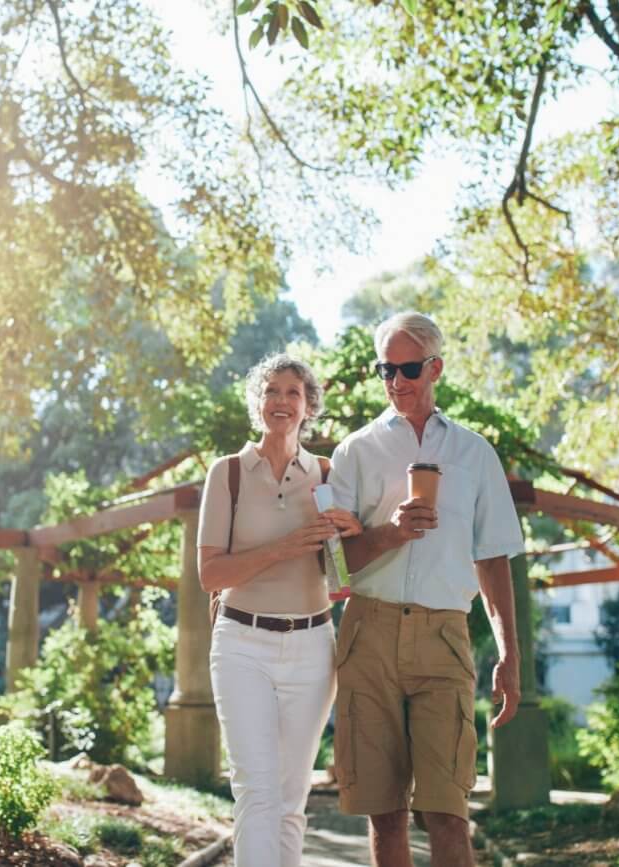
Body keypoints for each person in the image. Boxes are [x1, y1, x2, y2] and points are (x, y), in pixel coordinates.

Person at [329, 312, 524, 867]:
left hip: (445, 636)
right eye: (384, 369)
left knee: (447, 810)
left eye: (408, 367)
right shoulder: (355, 452)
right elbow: (335, 565)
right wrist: (391, 533)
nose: (395, 381)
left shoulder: (475, 453)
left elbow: (492, 558)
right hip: (369, 633)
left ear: (435, 367)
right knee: (385, 812)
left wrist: (509, 655)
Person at [197, 353, 362, 867]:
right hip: (242, 644)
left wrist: (349, 538)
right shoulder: (226, 475)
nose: (282, 401)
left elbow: (340, 577)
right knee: (256, 790)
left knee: (291, 800)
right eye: (271, 391)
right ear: (258, 403)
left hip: (313, 646)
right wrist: (286, 546)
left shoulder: (327, 473)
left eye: (293, 392)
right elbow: (211, 575)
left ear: (309, 405)